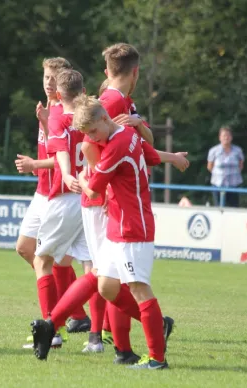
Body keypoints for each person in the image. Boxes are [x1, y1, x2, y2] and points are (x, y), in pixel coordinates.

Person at [33, 95, 170, 370]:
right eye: (87, 134)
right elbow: (152, 156)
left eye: (94, 131)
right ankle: (156, 324)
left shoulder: (117, 145)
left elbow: (93, 188)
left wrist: (81, 177)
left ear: (105, 118)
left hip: (133, 227)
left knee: (139, 288)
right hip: (118, 225)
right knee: (106, 285)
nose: (92, 138)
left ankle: (156, 358)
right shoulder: (126, 133)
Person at [15, 58, 90, 348]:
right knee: (26, 249)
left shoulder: (62, 113)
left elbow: (62, 156)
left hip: (60, 193)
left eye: (53, 78)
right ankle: (73, 316)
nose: (48, 81)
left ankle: (57, 325)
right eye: (45, 76)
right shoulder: (48, 111)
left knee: (49, 260)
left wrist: (36, 162)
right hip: (45, 191)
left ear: (62, 86)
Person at [207, 127, 244, 207]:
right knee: (218, 208)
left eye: (228, 135)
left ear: (231, 137)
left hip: (234, 184)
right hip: (218, 184)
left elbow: (241, 165)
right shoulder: (213, 151)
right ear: (220, 137)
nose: (226, 137)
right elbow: (210, 166)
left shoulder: (238, 150)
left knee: (234, 208)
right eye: (224, 135)